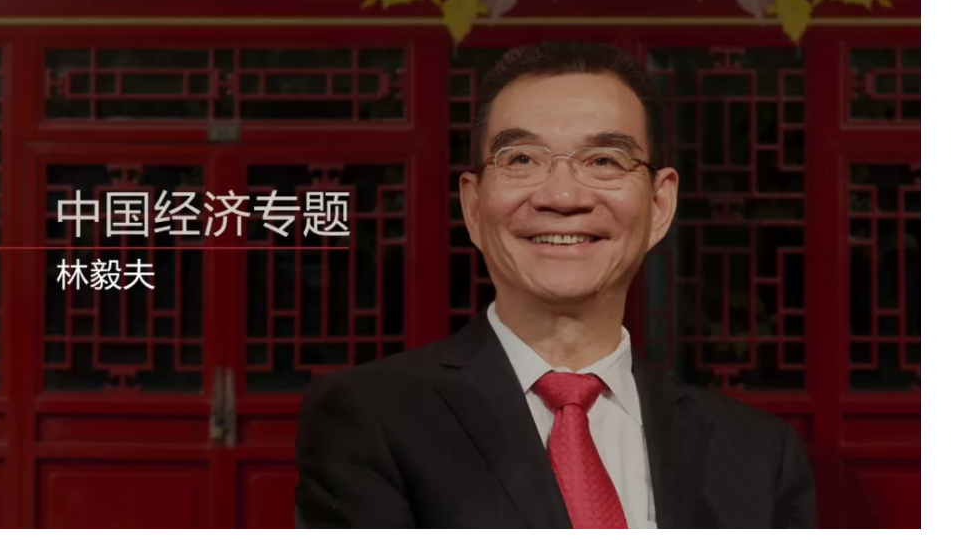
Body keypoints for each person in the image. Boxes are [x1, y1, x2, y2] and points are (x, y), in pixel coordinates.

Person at [294, 40, 815, 528]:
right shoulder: (372, 419)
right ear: (472, 205)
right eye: (521, 159)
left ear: (660, 205)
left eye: (604, 161)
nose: (563, 197)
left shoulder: (760, 454)